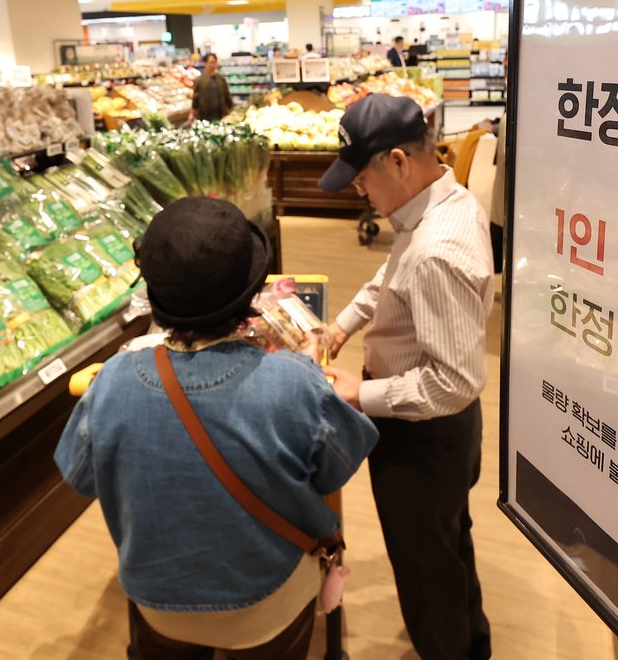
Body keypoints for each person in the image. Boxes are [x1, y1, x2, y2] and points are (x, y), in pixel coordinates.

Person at [55, 197, 379, 660]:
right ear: (250, 300)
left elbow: (83, 477)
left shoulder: (110, 383)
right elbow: (333, 471)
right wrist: (308, 374)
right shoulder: (293, 381)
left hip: (158, 602)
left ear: (156, 297)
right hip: (268, 601)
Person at [318, 94, 495, 660]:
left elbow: (450, 383)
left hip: (423, 432)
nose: (359, 192)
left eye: (361, 178)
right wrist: (343, 325)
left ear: (397, 161)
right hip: (445, 431)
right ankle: (472, 644)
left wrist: (358, 392)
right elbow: (392, 271)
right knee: (447, 545)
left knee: (425, 571)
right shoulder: (440, 200)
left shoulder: (436, 251)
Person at [190, 52, 233, 122]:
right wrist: (192, 113)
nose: (214, 65)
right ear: (205, 63)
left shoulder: (221, 79)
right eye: (211, 62)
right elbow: (195, 99)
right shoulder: (199, 80)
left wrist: (230, 110)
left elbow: (227, 95)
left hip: (221, 115)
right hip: (204, 116)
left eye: (215, 62)